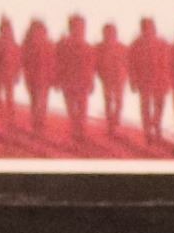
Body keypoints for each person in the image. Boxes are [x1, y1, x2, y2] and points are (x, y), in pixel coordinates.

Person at [128, 17, 171, 147]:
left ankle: (156, 126)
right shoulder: (136, 44)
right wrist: (132, 81)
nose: (148, 30)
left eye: (151, 27)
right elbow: (131, 64)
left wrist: (169, 80)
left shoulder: (162, 43)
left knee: (159, 106)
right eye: (145, 28)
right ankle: (148, 132)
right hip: (144, 80)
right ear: (142, 29)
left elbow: (169, 63)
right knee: (145, 107)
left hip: (160, 79)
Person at [55, 14, 98, 145]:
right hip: (68, 81)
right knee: (72, 109)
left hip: (82, 82)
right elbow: (57, 63)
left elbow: (91, 66)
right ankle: (76, 131)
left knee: (82, 108)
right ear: (71, 28)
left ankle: (81, 132)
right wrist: (57, 80)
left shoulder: (87, 46)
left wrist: (91, 82)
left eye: (82, 27)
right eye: (78, 26)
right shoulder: (63, 45)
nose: (81, 29)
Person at [20, 19, 55, 136]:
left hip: (44, 78)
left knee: (42, 101)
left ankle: (40, 123)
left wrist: (53, 77)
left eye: (40, 31)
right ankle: (37, 123)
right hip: (33, 78)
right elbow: (24, 62)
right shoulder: (28, 45)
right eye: (36, 31)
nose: (39, 33)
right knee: (35, 101)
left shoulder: (48, 44)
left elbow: (52, 62)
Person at [0, 16, 22, 130]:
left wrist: (17, 74)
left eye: (8, 29)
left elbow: (18, 61)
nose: (6, 31)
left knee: (9, 98)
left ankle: (10, 120)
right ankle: (1, 116)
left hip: (8, 75)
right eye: (4, 29)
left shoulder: (14, 44)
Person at [95, 22, 128, 136]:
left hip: (120, 77)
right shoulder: (99, 47)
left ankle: (115, 120)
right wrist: (99, 74)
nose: (110, 35)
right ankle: (111, 124)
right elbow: (95, 63)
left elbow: (128, 63)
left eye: (112, 32)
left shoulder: (122, 47)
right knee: (109, 101)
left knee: (118, 101)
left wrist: (127, 75)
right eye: (107, 33)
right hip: (107, 78)